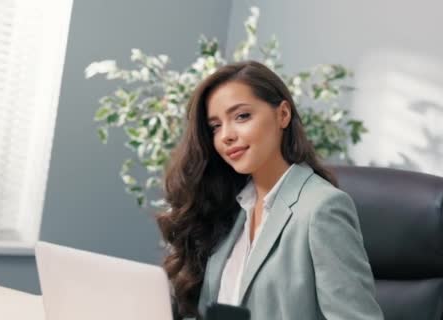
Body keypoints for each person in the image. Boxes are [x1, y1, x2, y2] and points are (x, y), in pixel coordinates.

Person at [156, 60, 383, 320]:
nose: (226, 135)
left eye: (242, 116)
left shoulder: (322, 208)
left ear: (283, 114)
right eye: (215, 126)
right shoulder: (227, 207)